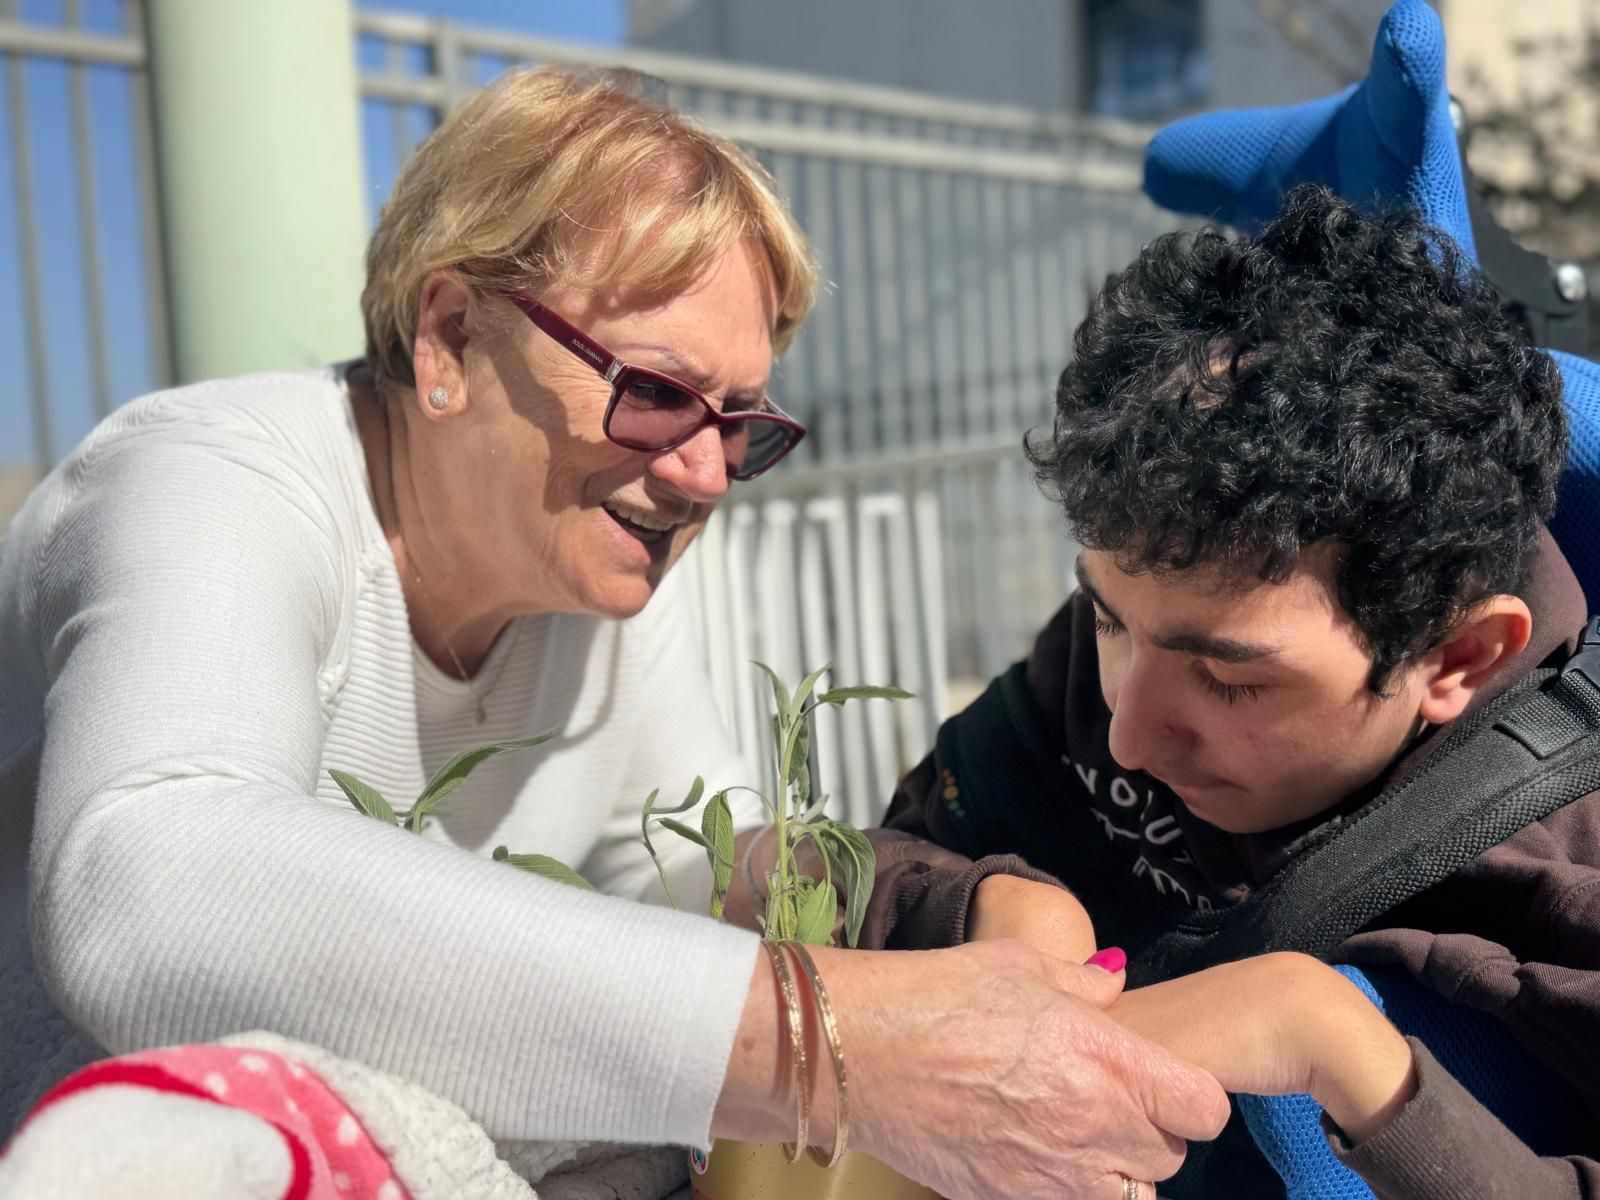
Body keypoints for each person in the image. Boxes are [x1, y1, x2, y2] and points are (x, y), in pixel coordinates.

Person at [0, 66, 1228, 1198]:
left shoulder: (593, 568)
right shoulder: (206, 482)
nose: (703, 473)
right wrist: (839, 1044)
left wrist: (934, 908)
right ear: (449, 335)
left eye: (737, 422)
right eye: (652, 392)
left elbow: (681, 858)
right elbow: (145, 881)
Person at [856, 187, 1600, 1197]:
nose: (1127, 735)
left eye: (1227, 679)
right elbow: (851, 860)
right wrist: (979, 905)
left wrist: (1343, 1053)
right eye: (1108, 621)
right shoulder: (1144, 630)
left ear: (1455, 658)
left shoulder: (1566, 873)